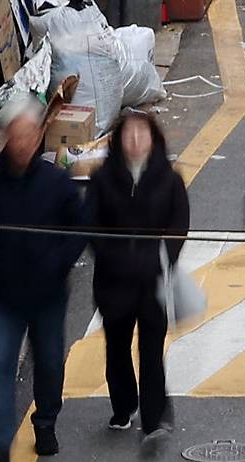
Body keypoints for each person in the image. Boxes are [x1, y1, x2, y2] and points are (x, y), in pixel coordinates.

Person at [0, 100, 88, 461]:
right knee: (1, 362)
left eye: (30, 136)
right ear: (7, 138)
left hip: (48, 294)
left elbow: (78, 229)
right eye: (16, 137)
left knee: (49, 360)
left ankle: (45, 422)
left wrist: (59, 262)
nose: (23, 144)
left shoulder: (58, 183)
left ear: (37, 138)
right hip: (4, 293)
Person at [87, 112, 189, 457]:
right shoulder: (102, 178)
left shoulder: (169, 179)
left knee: (151, 347)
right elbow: (92, 227)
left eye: (141, 134)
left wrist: (165, 255)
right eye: (128, 134)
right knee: (116, 346)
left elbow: (180, 222)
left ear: (153, 138)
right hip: (113, 280)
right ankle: (123, 404)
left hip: (151, 281)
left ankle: (154, 418)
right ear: (118, 139)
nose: (135, 141)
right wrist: (115, 254)